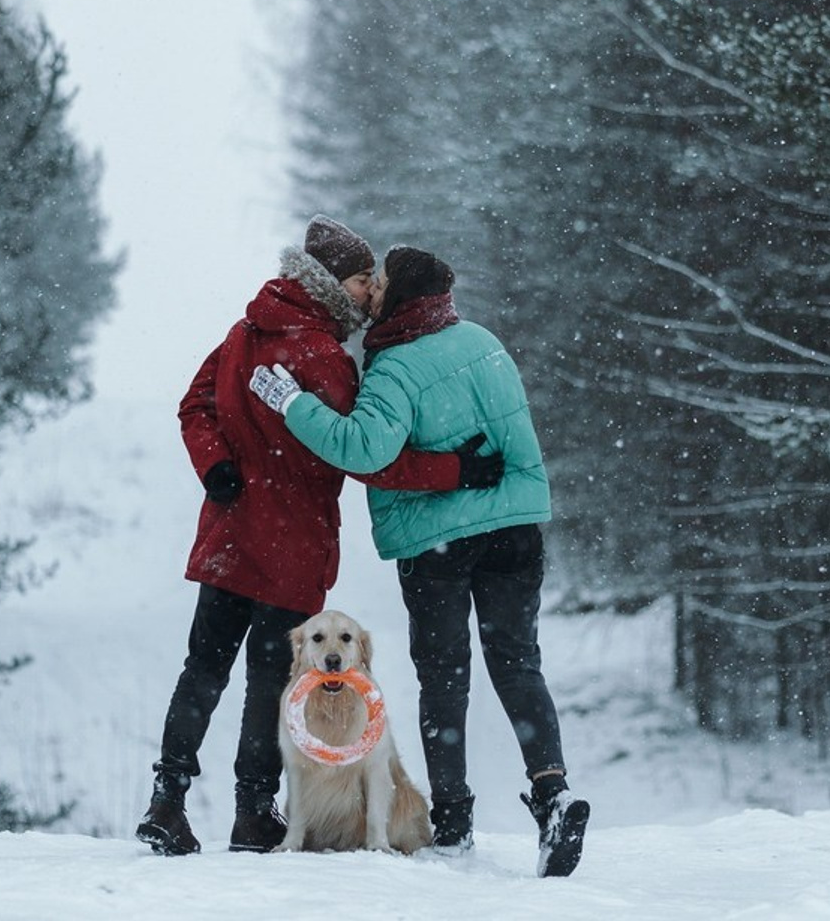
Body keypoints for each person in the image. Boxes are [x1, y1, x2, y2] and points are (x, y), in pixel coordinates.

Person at [135, 218, 503, 858]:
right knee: (270, 684)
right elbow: (368, 457)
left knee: (203, 668)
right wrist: (457, 470)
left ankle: (167, 799)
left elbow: (195, 405)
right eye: (362, 281)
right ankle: (252, 813)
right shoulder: (324, 358)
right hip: (291, 546)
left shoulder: (242, 333)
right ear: (332, 282)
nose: (368, 294)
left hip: (228, 533)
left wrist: (217, 467)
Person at [249, 245, 590, 878]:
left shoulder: (394, 367)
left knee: (444, 676)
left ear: (400, 295)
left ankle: (454, 821)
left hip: (438, 542)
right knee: (517, 664)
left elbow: (362, 448)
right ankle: (553, 793)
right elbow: (518, 439)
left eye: (378, 284)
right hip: (515, 529)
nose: (369, 293)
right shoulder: (485, 342)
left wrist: (291, 401)